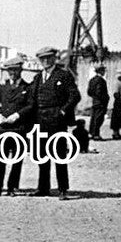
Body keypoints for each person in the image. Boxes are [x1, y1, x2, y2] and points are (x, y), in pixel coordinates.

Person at [31, 46, 81, 199]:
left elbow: (75, 96)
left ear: (54, 58)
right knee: (42, 155)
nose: (45, 61)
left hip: (57, 121)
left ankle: (62, 189)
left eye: (48, 58)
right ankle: (43, 188)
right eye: (42, 59)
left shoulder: (63, 75)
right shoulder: (38, 78)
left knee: (59, 154)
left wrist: (63, 111)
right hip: (41, 120)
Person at [0, 55, 33, 197]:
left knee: (17, 159)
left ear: (20, 70)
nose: (12, 74)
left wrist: (16, 116)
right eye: (10, 71)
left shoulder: (27, 88)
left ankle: (12, 187)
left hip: (18, 129)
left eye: (15, 71)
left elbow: (30, 106)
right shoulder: (2, 88)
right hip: (2, 129)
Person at [87, 64, 110, 140]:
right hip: (101, 102)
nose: (104, 72)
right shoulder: (101, 80)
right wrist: (104, 98)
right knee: (99, 118)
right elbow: (99, 91)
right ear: (101, 71)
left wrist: (94, 97)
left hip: (95, 101)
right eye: (103, 70)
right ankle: (96, 134)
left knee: (94, 117)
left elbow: (89, 92)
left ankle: (92, 133)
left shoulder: (92, 80)